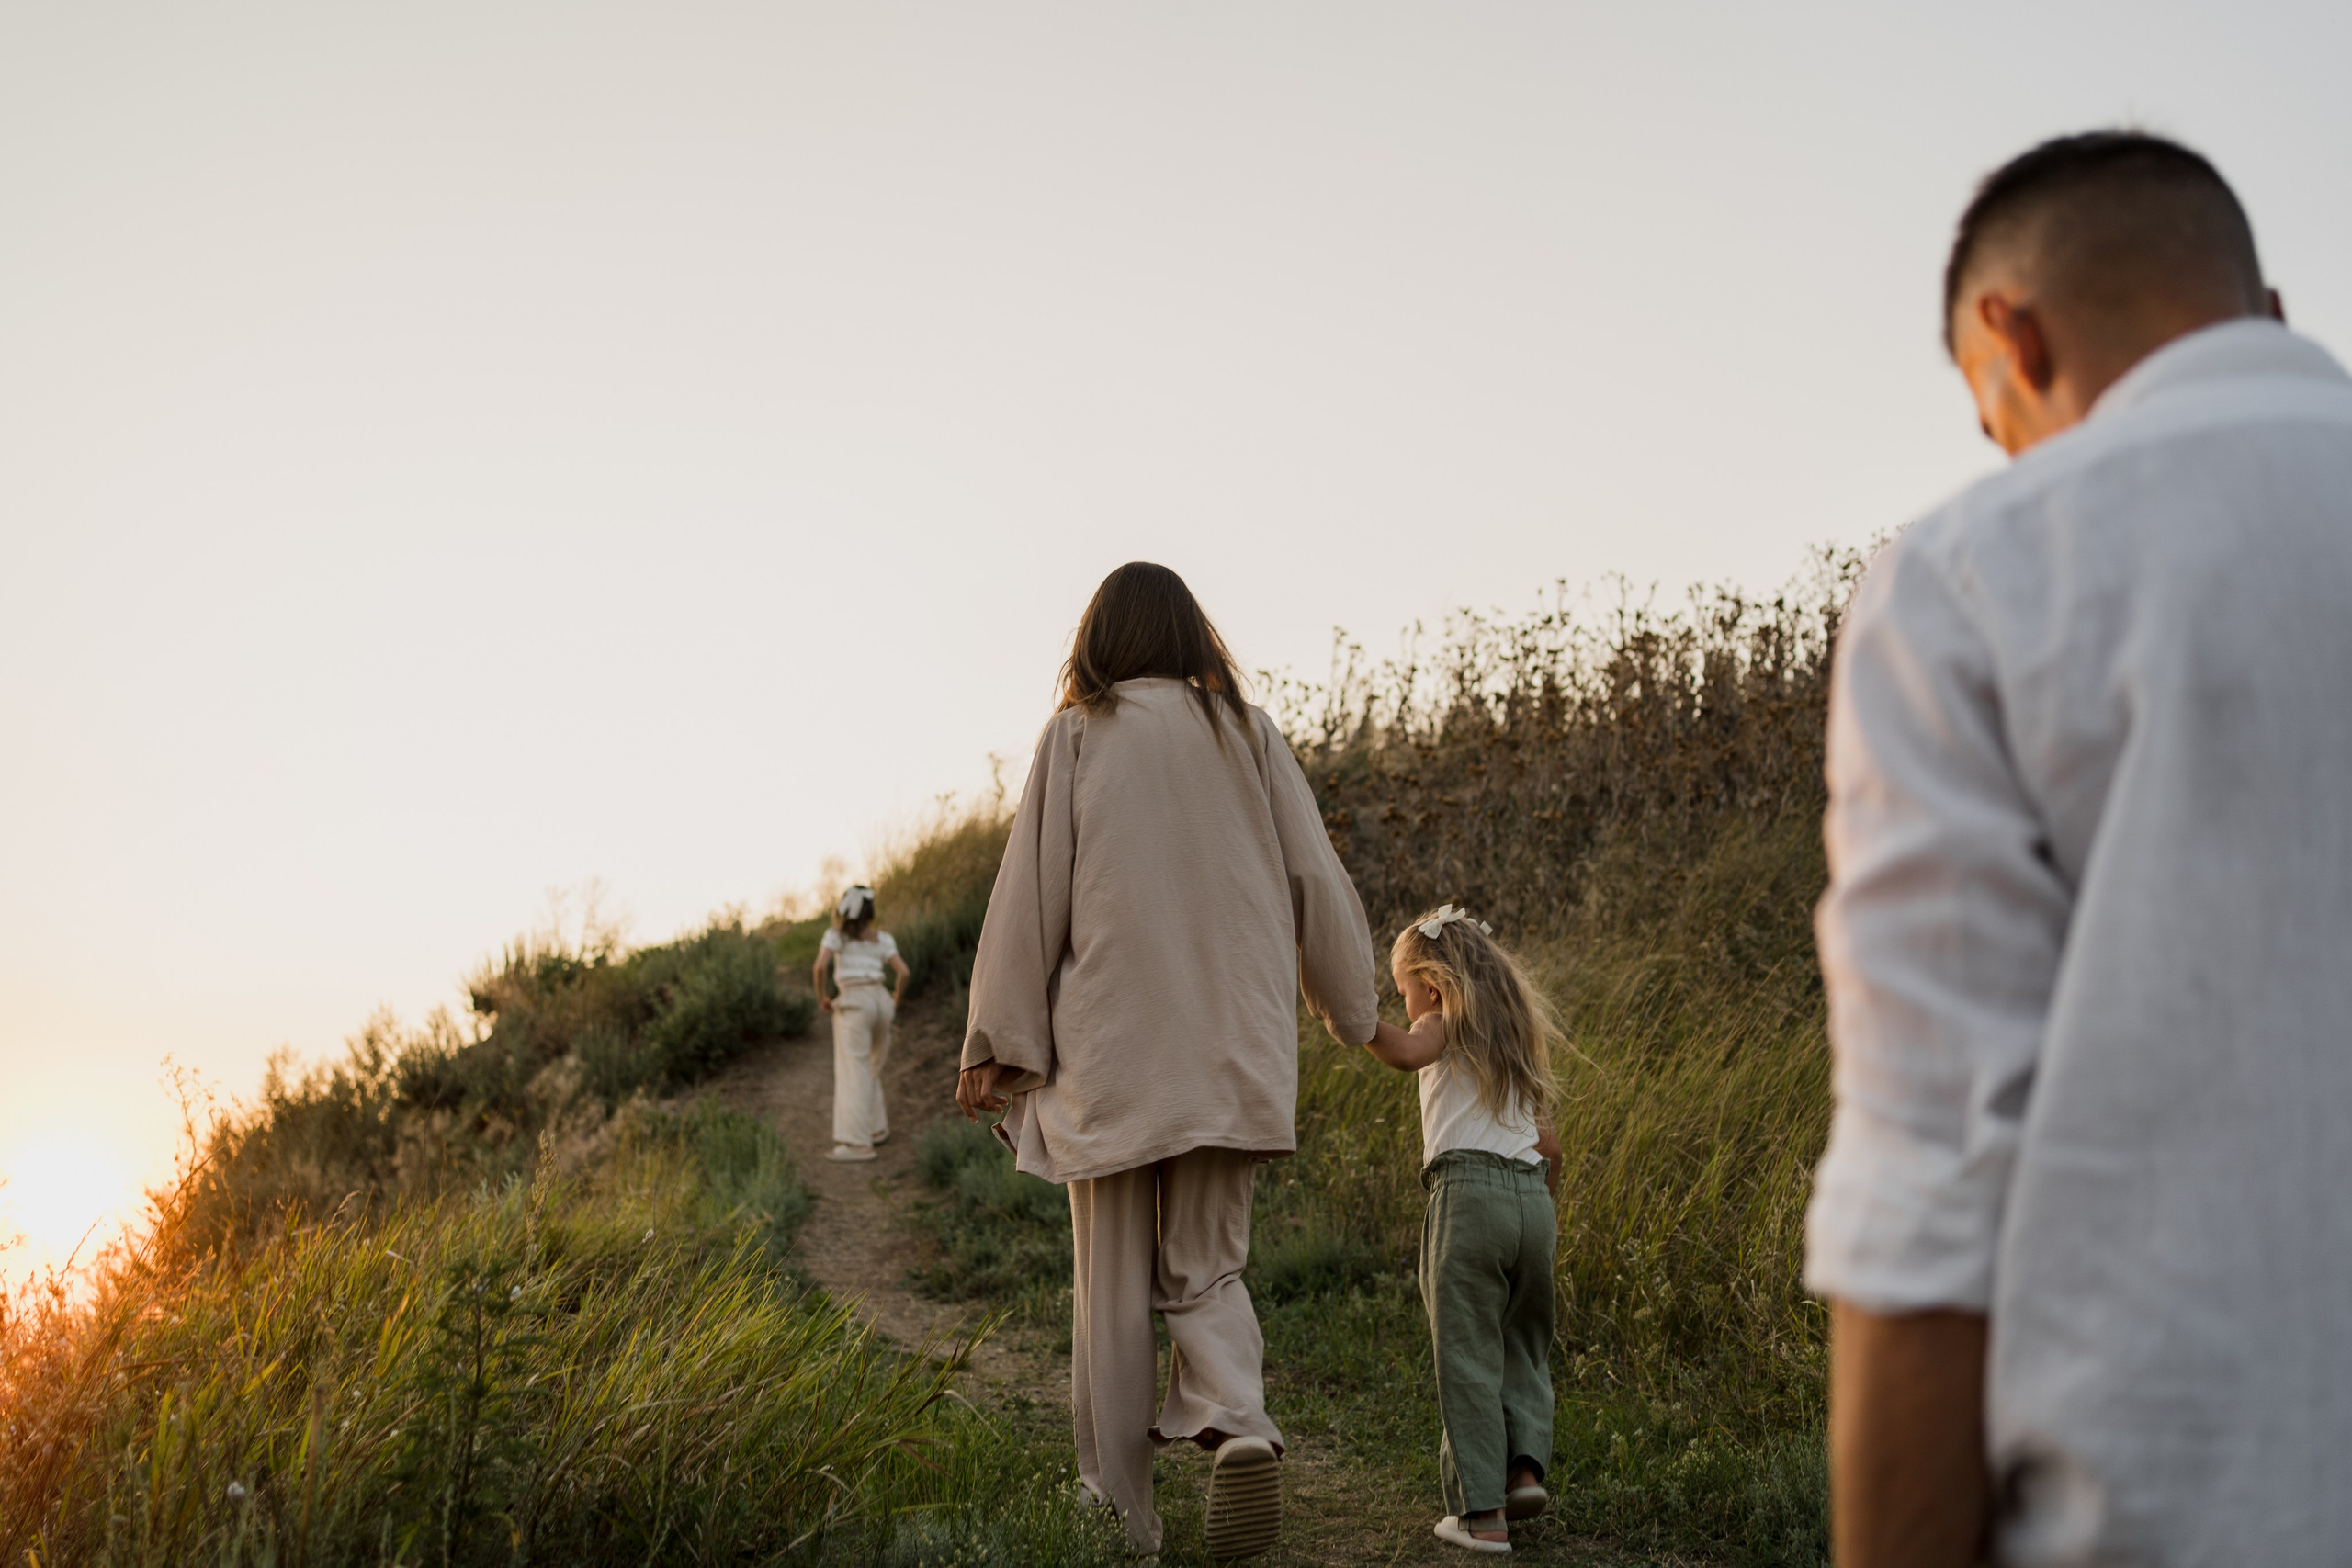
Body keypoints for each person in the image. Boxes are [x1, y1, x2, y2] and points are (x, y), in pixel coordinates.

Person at [1804, 130, 2352, 1567]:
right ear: (2270, 318)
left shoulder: (1976, 580)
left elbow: (1934, 1179)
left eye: (1992, 417)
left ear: (2012, 337)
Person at [956, 561, 1380, 1561]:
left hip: (1110, 1056)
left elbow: (1031, 895)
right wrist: (1353, 1012)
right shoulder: (1249, 733)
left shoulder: (1075, 736)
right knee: (1207, 1265)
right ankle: (1237, 1419)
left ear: (1098, 642)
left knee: (1109, 1292)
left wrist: (997, 1043)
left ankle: (1119, 1517)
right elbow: (1314, 878)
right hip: (1230, 1053)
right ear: (1193, 637)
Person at [1359, 905, 1563, 1556]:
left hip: (1468, 1195)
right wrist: (1537, 1207)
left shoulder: (1441, 1022)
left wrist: (1354, 1021)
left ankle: (1482, 1514)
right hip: (1533, 1203)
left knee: (1468, 1352)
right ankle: (1524, 1470)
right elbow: (1551, 1146)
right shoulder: (1515, 1043)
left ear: (1436, 986)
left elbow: (1405, 1050)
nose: (1408, 1003)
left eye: (1406, 990)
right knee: (1521, 1343)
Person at [812, 884, 910, 1164]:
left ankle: (857, 1144)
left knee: (854, 1070)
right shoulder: (883, 939)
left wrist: (822, 997)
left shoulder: (836, 936)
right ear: (870, 912)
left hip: (855, 1002)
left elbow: (820, 967)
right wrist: (894, 1001)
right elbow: (903, 972)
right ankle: (876, 1129)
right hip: (881, 1000)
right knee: (870, 1067)